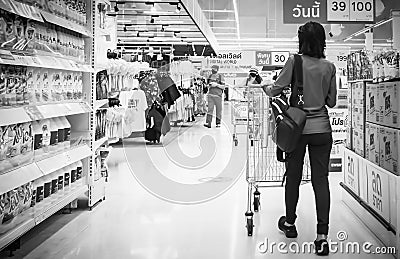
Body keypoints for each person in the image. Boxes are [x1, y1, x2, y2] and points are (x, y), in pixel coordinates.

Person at [261, 21, 337, 256]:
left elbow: (275, 90)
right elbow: (332, 102)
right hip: (322, 130)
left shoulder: (295, 61)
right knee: (321, 180)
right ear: (322, 41)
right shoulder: (330, 66)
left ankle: (290, 223)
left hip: (297, 129)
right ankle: (322, 236)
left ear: (301, 40)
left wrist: (266, 88)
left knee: (293, 176)